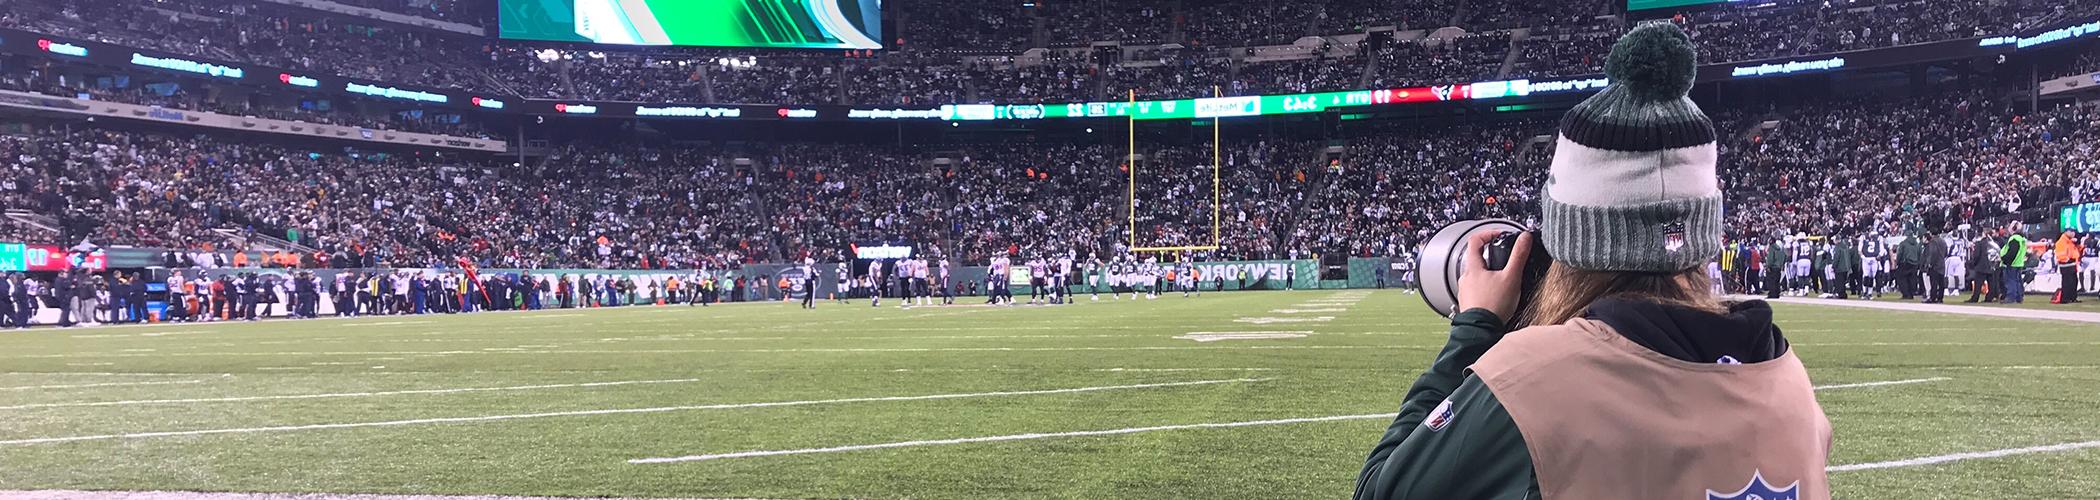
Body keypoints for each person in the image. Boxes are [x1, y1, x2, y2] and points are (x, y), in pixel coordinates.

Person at [1354, 25, 1829, 500]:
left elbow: (1380, 492)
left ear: (1570, 243)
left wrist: (1474, 328)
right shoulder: (1788, 379)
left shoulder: (1533, 379)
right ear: (1702, 234)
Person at [1965, 232, 2001, 303]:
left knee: (1978, 284)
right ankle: (1989, 297)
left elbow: (1976, 256)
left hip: (1981, 266)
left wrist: (1974, 263)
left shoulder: (1979, 244)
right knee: (1991, 284)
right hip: (1991, 266)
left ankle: (1975, 298)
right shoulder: (1993, 243)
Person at [2002, 224, 2030, 304]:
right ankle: (2019, 297)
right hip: (2019, 263)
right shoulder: (2022, 239)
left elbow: (2012, 253)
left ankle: (2011, 297)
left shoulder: (2014, 239)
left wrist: (2004, 259)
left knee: (2011, 281)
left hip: (2012, 263)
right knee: (2018, 281)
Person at [2056, 229, 2083, 304]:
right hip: (2066, 264)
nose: (2073, 234)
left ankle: (2072, 297)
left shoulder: (2070, 241)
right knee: (2067, 282)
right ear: (2067, 232)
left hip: (2072, 264)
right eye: (2072, 232)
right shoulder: (2062, 242)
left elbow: (2076, 251)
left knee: (2074, 281)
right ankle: (2065, 298)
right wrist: (2067, 259)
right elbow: (2060, 254)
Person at [1923, 231, 1948, 304]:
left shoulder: (1933, 242)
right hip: (1942, 263)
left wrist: (1929, 263)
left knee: (1934, 282)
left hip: (1935, 265)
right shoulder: (1943, 241)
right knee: (1941, 283)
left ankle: (1933, 298)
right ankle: (1940, 298)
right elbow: (1946, 252)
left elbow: (1932, 253)